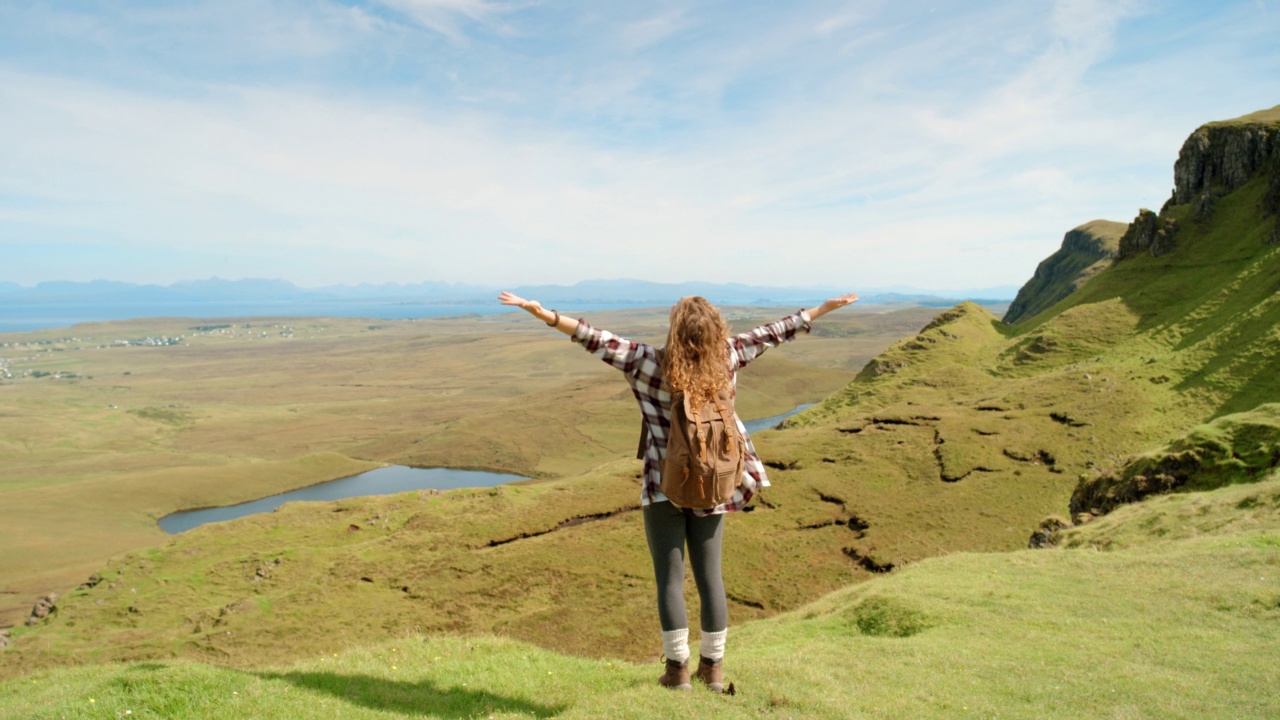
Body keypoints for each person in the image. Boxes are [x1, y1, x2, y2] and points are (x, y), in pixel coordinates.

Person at [498, 290, 859, 692]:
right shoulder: (729, 357)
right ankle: (714, 671)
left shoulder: (646, 362)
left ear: (675, 329)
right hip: (716, 487)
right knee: (711, 580)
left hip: (661, 487)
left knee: (670, 580)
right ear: (713, 331)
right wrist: (823, 309)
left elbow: (593, 337)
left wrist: (541, 313)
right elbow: (775, 332)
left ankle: (678, 674)